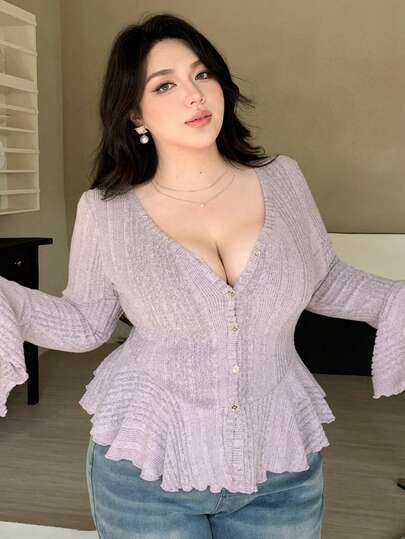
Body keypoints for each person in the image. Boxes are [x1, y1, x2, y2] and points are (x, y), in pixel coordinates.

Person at [1, 12, 405, 539]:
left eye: (202, 74)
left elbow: (324, 279)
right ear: (135, 113)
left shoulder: (282, 179)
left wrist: (396, 298)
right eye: (165, 85)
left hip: (279, 468)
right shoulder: (106, 211)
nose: (194, 95)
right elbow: (86, 322)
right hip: (148, 470)